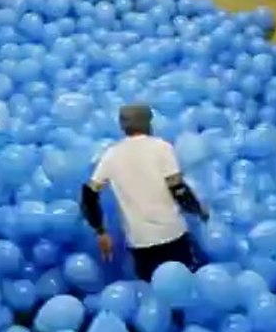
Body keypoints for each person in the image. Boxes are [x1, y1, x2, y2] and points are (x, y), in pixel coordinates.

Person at [81, 104, 210, 281]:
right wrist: (198, 210)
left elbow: (89, 194)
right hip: (172, 233)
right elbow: (178, 190)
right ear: (149, 122)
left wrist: (101, 231)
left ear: (122, 126)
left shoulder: (111, 155)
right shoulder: (162, 148)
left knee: (152, 291)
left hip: (140, 241)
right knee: (183, 285)